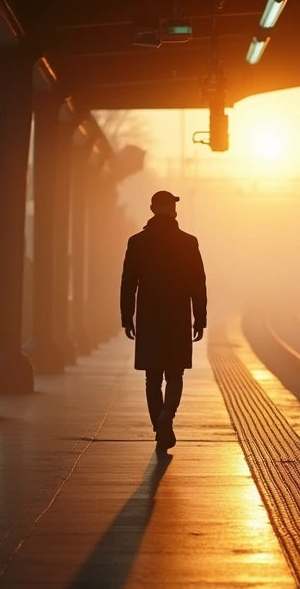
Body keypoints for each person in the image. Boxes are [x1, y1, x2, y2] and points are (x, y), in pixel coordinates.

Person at [120, 191, 208, 454]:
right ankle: (167, 414)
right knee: (175, 373)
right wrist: (199, 319)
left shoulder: (137, 242)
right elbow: (198, 284)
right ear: (174, 211)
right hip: (177, 317)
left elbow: (128, 284)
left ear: (151, 208)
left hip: (149, 317)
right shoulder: (188, 242)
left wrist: (127, 317)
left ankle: (159, 429)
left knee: (152, 378)